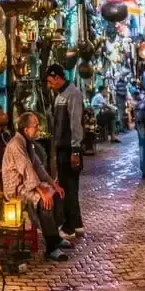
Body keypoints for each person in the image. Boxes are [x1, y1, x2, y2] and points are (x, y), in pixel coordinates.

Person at [2, 112, 70, 262]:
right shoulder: (16, 145)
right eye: (36, 126)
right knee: (43, 201)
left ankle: (55, 237)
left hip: (27, 184)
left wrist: (53, 184)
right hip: (16, 188)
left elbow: (37, 167)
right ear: (26, 130)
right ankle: (51, 247)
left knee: (55, 194)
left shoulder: (27, 143)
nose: (38, 129)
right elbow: (27, 170)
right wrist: (42, 192)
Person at [46, 63, 85, 239]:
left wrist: (75, 150)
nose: (49, 85)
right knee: (67, 186)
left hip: (70, 149)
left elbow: (75, 123)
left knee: (69, 188)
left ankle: (69, 227)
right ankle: (76, 224)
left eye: (50, 81)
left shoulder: (73, 94)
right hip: (62, 148)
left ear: (57, 77)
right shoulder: (59, 95)